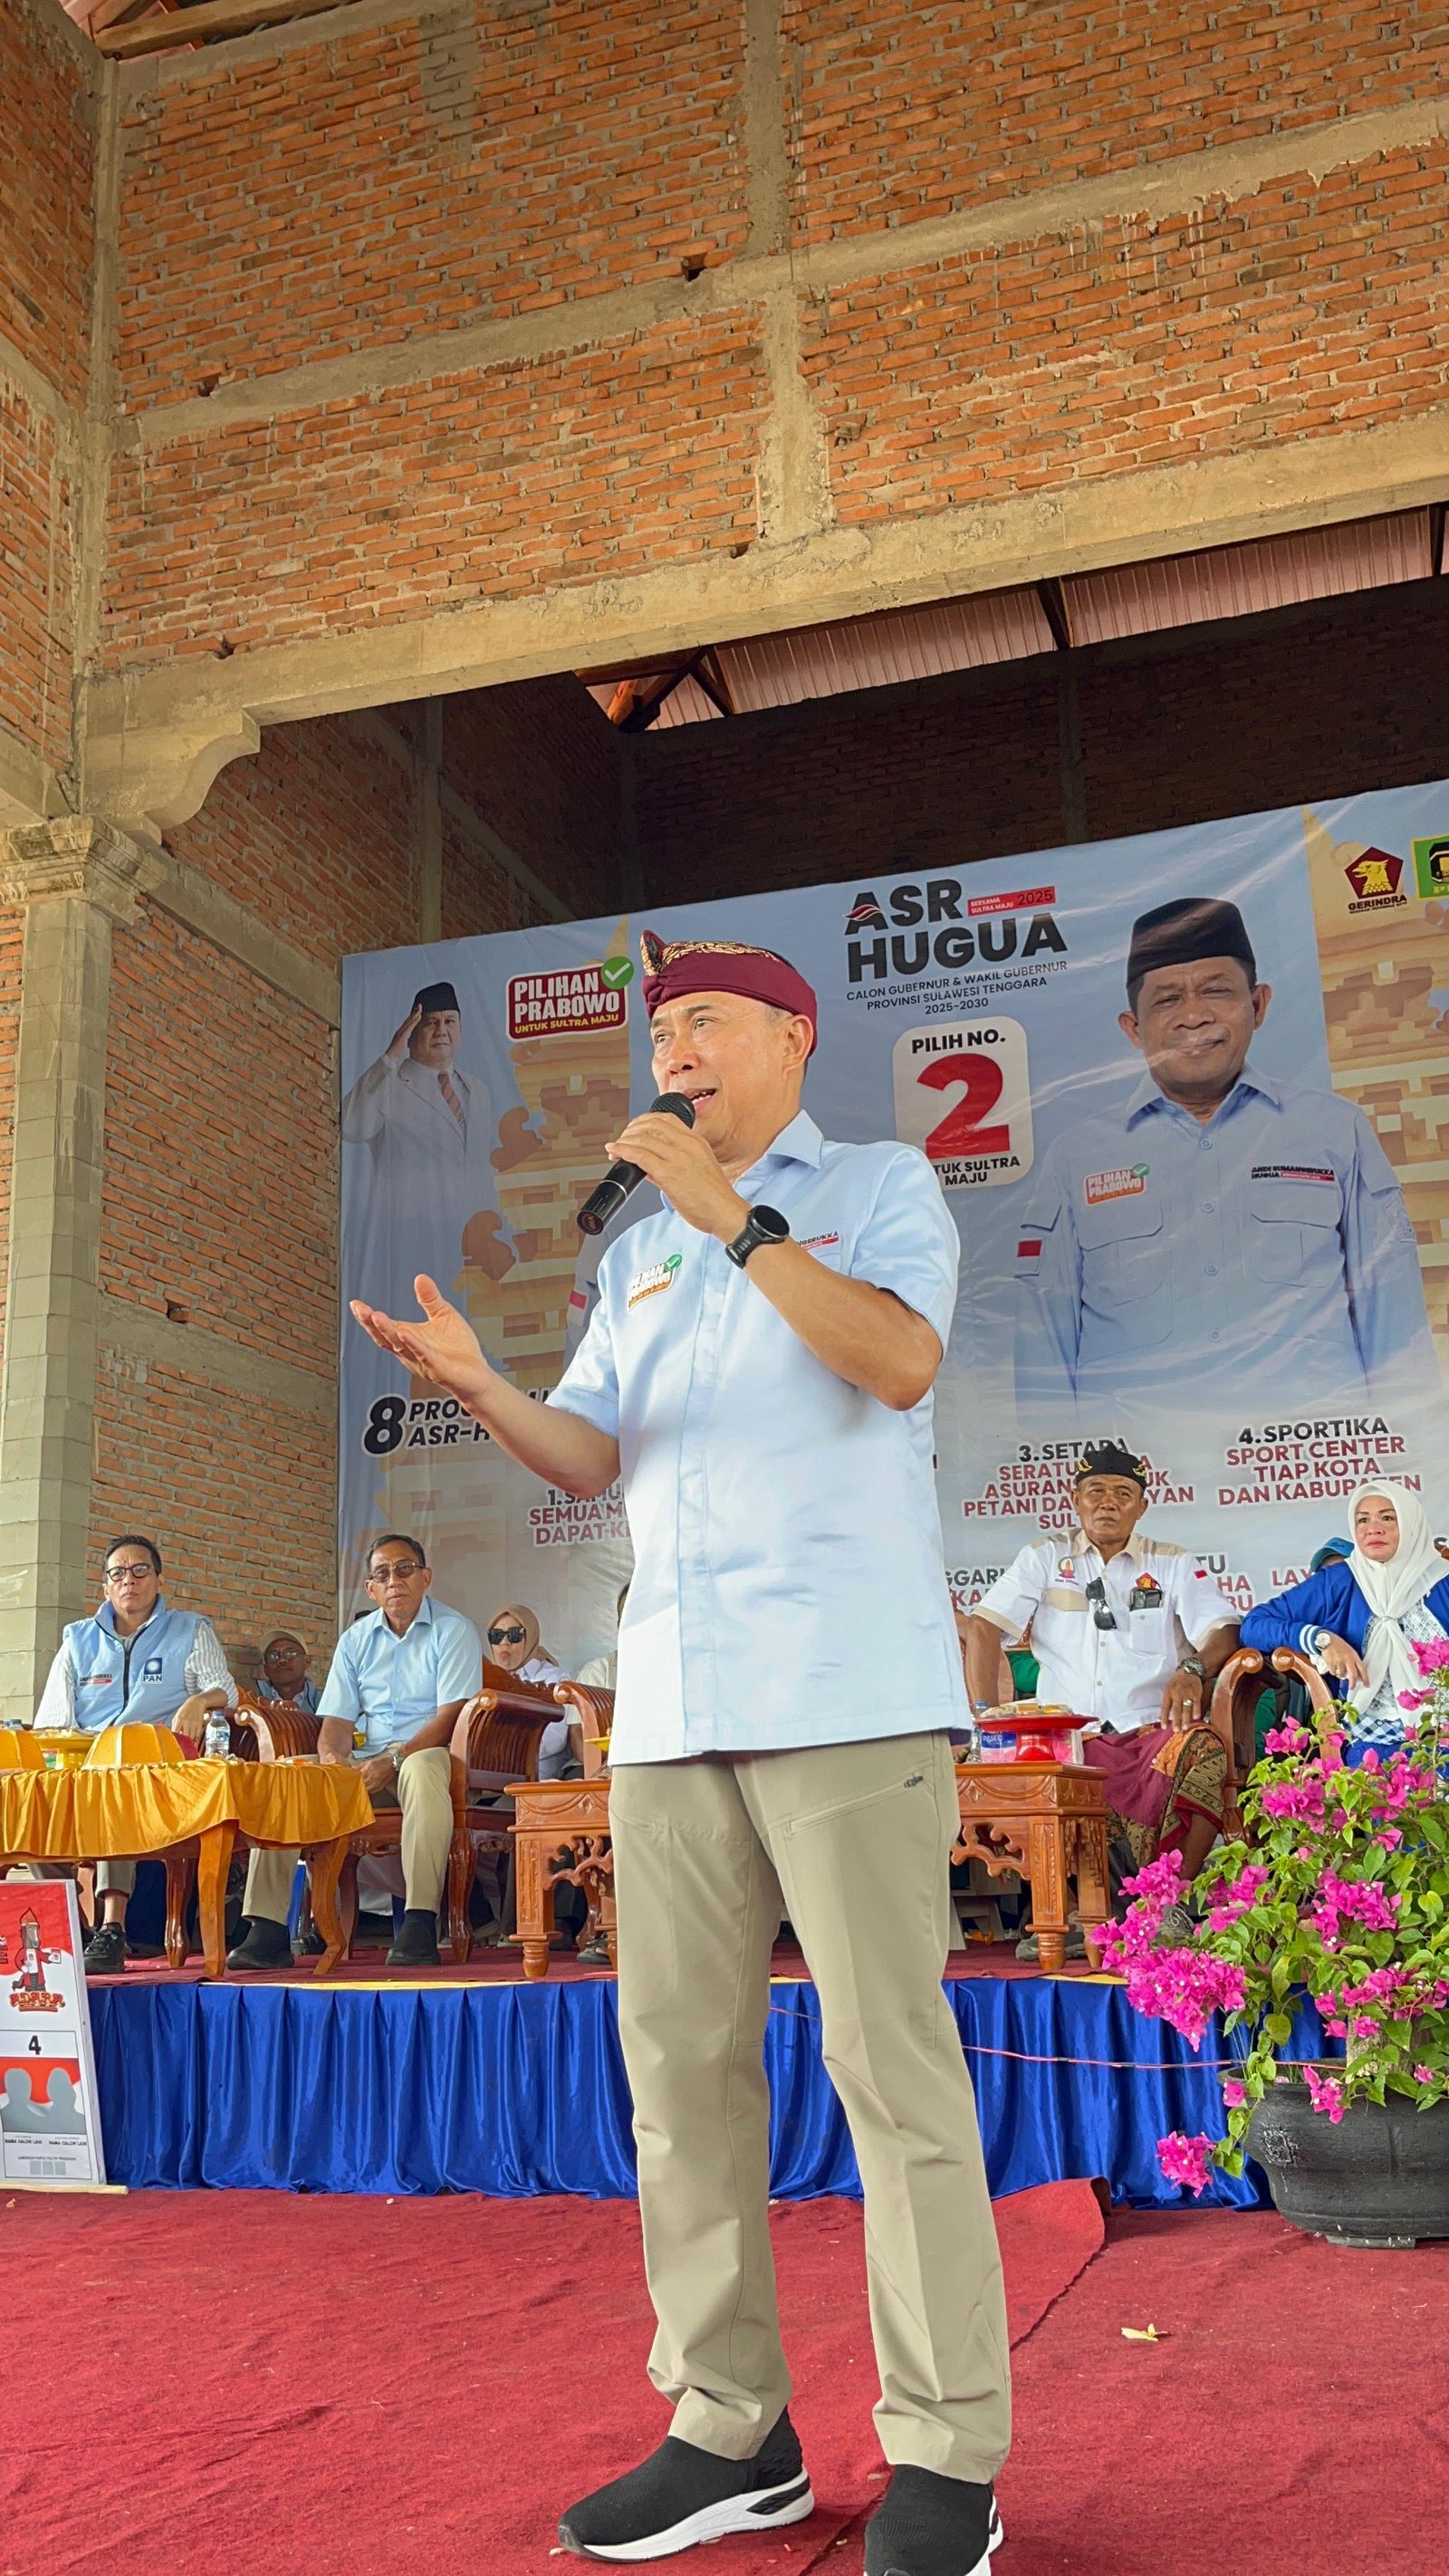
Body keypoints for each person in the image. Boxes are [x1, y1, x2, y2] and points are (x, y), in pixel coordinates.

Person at [351, 927, 1012, 2576]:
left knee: (891, 2068)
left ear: (789, 1034)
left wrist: (742, 1222)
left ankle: (946, 2456)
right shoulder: (637, 1250)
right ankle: (733, 2425)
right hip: (674, 1701)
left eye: (705, 1025)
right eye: (660, 1039)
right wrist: (485, 1385)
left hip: (845, 1689)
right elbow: (593, 1452)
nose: (676, 1058)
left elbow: (897, 1360)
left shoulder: (877, 1184)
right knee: (676, 2075)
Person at [1013, 896, 1437, 1427]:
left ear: (1258, 1005)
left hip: (1312, 1472)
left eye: (1216, 990)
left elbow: (1392, 1314)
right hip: (1139, 1481)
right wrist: (1047, 1474)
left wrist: (1414, 1461)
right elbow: (1043, 1345)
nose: (1194, 1016)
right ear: (1132, 1028)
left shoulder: (1335, 1130)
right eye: (1167, 1001)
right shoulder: (1076, 1158)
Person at [964, 1443, 1240, 1943]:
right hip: (1067, 1736)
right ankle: (1071, 1914)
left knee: (1204, 1748)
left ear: (1141, 1506)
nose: (1108, 1502)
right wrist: (985, 1720)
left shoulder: (1172, 1563)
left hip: (1153, 1728)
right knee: (1034, 1771)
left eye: (1122, 1493)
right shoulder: (1045, 1558)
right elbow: (985, 1629)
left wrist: (1194, 1668)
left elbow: (1223, 1631)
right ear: (1076, 1500)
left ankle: (1167, 1905)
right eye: (1096, 1491)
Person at [226, 1534, 482, 1971]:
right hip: (368, 1766)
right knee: (290, 1775)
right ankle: (268, 1928)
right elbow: (338, 1725)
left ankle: (420, 1921)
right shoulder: (356, 1639)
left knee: (420, 1767)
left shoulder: (453, 1630)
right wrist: (331, 1764)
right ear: (371, 1589)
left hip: (429, 1758)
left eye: (404, 1569)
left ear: (425, 1577)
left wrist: (394, 1760)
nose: (395, 1581)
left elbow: (451, 1717)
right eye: (382, 1574)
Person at [33, 1534, 236, 1975]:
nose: (130, 1581)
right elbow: (51, 1722)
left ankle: (112, 1927)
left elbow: (228, 1691)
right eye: (118, 1574)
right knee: (30, 1798)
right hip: (87, 1765)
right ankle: (77, 1925)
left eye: (141, 1570)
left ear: (159, 1579)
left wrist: (199, 1701)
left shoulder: (189, 1628)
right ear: (105, 1587)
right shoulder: (78, 1639)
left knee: (118, 1781)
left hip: (160, 1771)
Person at [1240, 1481, 1449, 1762]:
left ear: (1412, 1524)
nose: (1373, 1528)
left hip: (1441, 1740)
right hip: (1367, 1747)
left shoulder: (1442, 1580)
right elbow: (1254, 1625)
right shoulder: (1340, 1581)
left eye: (1388, 1517)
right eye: (1363, 1519)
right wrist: (1320, 1639)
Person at [342, 979, 510, 1310]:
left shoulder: (478, 1091)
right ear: (412, 1032)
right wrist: (391, 1055)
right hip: (410, 1244)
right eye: (430, 1023)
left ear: (460, 1028)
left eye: (449, 1022)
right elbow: (351, 1126)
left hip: (468, 1246)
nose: (441, 1031)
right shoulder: (389, 1083)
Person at [485, 1602, 573, 1780]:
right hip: (487, 1771)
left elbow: (556, 1737)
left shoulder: (555, 1679)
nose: (504, 1643)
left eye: (514, 1635)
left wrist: (504, 1749)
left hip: (536, 1776)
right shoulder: (484, 1679)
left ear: (531, 1637)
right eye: (496, 1636)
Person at [255, 1632, 321, 1714]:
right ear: (266, 1669)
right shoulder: (253, 1701)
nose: (282, 1660)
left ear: (307, 1662)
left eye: (290, 1653)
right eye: (273, 1656)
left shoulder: (324, 1702)